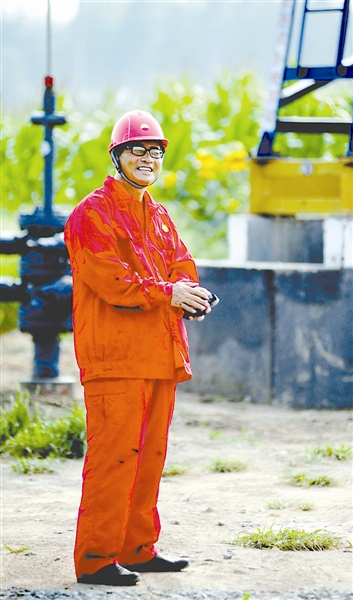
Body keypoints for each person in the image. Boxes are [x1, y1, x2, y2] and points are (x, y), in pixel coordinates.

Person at [64, 109, 213, 587]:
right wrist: (168, 292)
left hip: (159, 355)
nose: (148, 158)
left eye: (155, 151)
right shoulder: (92, 214)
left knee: (149, 457)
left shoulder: (159, 215)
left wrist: (191, 292)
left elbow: (181, 263)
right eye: (138, 149)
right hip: (115, 358)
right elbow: (111, 280)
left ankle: (137, 548)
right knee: (114, 458)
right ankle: (95, 560)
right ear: (117, 155)